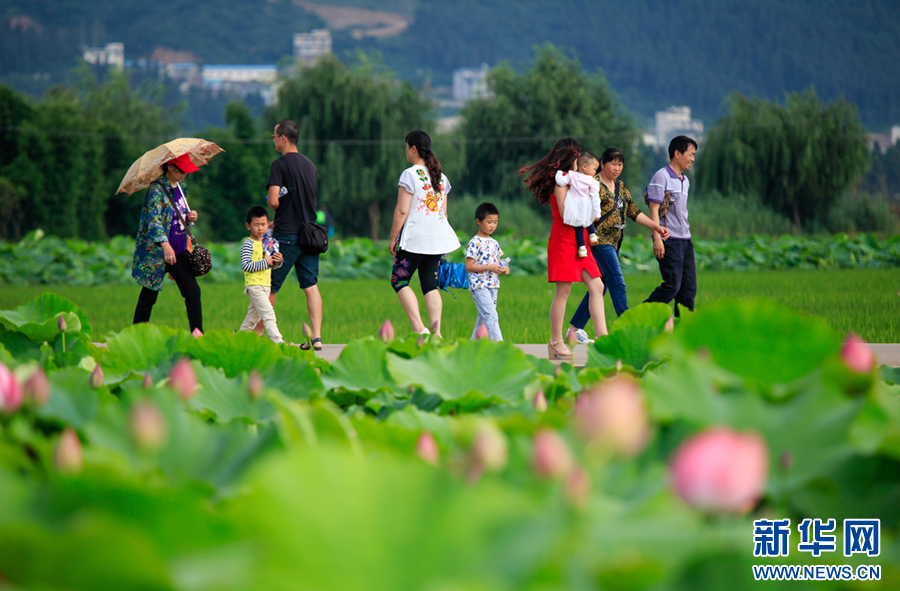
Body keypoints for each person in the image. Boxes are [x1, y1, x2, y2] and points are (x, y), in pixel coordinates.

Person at [566, 147, 670, 344]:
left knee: (601, 286)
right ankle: (629, 328)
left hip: (614, 242)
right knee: (617, 283)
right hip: (597, 241)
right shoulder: (592, 183)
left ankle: (574, 329)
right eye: (613, 163)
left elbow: (634, 211)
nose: (617, 168)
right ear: (602, 164)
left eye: (620, 164)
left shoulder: (621, 186)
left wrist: (656, 226)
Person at [519, 138, 608, 361]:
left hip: (582, 240)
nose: (581, 160)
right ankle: (556, 342)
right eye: (578, 156)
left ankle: (604, 338)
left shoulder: (580, 180)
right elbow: (566, 211)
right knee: (564, 292)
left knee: (597, 285)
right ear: (570, 157)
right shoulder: (562, 182)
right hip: (564, 239)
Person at [389, 130, 461, 337]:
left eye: (406, 147)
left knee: (399, 281)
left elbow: (402, 210)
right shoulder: (441, 177)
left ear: (413, 149)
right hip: (436, 239)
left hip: (415, 239)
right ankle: (437, 333)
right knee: (429, 283)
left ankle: (419, 329)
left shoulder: (409, 174)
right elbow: (444, 213)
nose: (406, 151)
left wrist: (394, 237)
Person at [265, 119, 324, 351]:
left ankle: (265, 335)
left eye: (274, 135)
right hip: (310, 235)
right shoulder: (310, 165)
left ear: (283, 138)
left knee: (270, 286)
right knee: (310, 285)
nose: (272, 139)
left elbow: (273, 201)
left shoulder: (278, 165)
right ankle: (317, 337)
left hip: (286, 235)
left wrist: (275, 213)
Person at [132, 153, 203, 332]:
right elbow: (154, 220)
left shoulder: (181, 187)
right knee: (149, 295)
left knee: (193, 291)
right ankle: (137, 333)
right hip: (157, 252)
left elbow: (176, 215)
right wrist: (164, 244)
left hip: (179, 249)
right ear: (170, 167)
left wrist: (190, 216)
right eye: (181, 169)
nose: (185, 173)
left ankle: (197, 333)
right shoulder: (156, 190)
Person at [644, 135, 699, 317]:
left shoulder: (685, 180)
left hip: (686, 240)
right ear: (677, 153)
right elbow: (654, 211)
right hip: (669, 240)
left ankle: (681, 334)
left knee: (688, 291)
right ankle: (639, 315)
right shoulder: (661, 176)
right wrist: (657, 239)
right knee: (672, 286)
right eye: (690, 154)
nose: (692, 158)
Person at [238, 206, 285, 343]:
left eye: (263, 224)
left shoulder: (268, 243)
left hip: (266, 286)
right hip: (254, 286)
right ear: (248, 226)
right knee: (268, 314)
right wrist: (266, 262)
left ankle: (238, 340)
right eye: (256, 225)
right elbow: (246, 265)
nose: (260, 228)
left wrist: (278, 261)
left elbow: (272, 265)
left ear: (268, 223)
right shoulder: (248, 244)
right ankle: (279, 342)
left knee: (252, 319)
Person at [465, 202, 510, 341]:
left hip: (493, 284)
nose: (492, 226)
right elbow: (469, 266)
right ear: (478, 221)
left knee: (483, 319)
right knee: (491, 315)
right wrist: (489, 267)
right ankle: (500, 346)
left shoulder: (494, 243)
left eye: (495, 222)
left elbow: (498, 261)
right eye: (489, 222)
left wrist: (504, 267)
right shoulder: (474, 242)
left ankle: (471, 349)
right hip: (479, 286)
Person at [557, 151, 601, 258]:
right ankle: (593, 235)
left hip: (574, 205)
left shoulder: (572, 175)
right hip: (586, 204)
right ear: (585, 166)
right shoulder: (592, 182)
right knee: (588, 219)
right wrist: (597, 212)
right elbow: (596, 198)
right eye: (594, 169)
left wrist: (558, 172)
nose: (595, 172)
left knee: (578, 226)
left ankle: (581, 248)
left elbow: (561, 182)